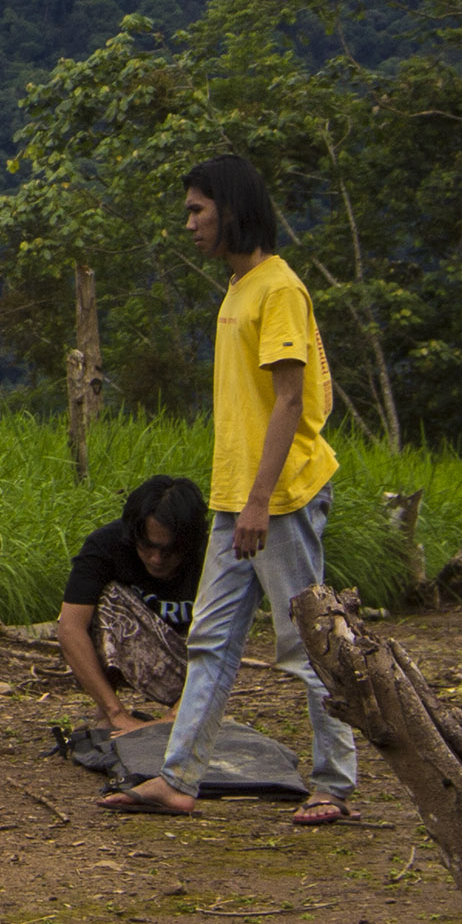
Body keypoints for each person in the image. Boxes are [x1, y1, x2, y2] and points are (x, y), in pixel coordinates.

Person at [103, 156, 360, 825]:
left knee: (308, 644)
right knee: (212, 640)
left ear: (232, 208)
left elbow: (289, 400)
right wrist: (237, 501)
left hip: (278, 500)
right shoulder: (239, 287)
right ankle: (180, 777)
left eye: (197, 210)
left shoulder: (279, 288)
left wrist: (259, 501)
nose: (188, 222)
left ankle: (334, 781)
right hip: (236, 500)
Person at [56, 474, 207, 733]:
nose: (157, 559)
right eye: (147, 546)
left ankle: (184, 714)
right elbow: (70, 628)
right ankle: (107, 711)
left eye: (169, 550)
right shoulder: (106, 544)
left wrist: (177, 716)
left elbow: (225, 641)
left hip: (196, 665)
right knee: (107, 599)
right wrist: (117, 714)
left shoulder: (213, 554)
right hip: (132, 652)